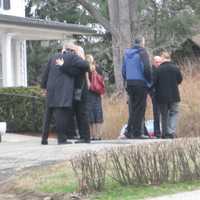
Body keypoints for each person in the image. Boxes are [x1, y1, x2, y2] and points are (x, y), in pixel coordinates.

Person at [41, 43, 89, 144]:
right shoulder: (72, 57)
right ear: (72, 50)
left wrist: (43, 87)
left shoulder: (53, 57)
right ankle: (62, 139)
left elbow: (46, 73)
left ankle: (44, 139)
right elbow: (86, 65)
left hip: (51, 90)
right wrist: (66, 66)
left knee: (48, 114)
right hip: (63, 91)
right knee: (61, 116)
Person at [57, 44, 91, 144]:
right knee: (79, 114)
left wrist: (64, 67)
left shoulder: (79, 60)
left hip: (80, 91)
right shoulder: (77, 61)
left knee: (81, 113)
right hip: (77, 91)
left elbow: (79, 70)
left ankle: (85, 137)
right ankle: (83, 136)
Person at [122, 37, 151, 139]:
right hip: (140, 83)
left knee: (133, 108)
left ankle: (129, 131)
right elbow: (146, 68)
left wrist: (126, 81)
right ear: (142, 43)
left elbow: (123, 70)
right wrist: (149, 82)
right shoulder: (142, 53)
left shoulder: (126, 54)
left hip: (130, 83)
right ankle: (137, 133)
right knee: (140, 109)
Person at [154, 51, 183, 139]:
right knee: (174, 112)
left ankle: (164, 133)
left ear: (162, 58)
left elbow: (154, 82)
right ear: (169, 58)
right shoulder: (175, 68)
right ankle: (171, 131)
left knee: (164, 114)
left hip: (161, 96)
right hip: (174, 95)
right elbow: (180, 80)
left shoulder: (158, 69)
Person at [85, 54, 104, 140]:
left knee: (90, 114)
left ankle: (92, 136)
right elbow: (101, 80)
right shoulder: (98, 68)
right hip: (97, 93)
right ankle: (99, 135)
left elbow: (87, 84)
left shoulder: (85, 70)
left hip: (89, 94)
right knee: (98, 114)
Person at [149, 56, 162, 138]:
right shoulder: (151, 71)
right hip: (155, 94)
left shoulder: (162, 70)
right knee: (156, 113)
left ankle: (163, 131)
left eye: (160, 62)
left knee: (164, 114)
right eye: (157, 62)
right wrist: (151, 93)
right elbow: (150, 83)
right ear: (153, 62)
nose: (158, 64)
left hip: (163, 94)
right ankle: (157, 132)